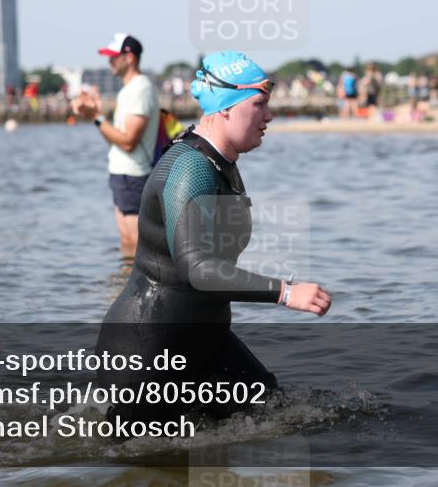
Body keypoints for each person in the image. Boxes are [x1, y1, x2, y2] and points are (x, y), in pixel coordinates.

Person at [96, 51, 332, 423]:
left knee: (277, 412)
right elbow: (198, 268)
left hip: (201, 337)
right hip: (150, 350)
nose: (269, 115)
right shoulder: (191, 169)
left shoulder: (220, 161)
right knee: (151, 466)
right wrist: (286, 292)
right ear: (225, 107)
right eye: (259, 104)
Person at [71, 34, 160, 264]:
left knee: (136, 243)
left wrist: (97, 117)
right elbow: (118, 141)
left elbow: (128, 141)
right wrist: (96, 116)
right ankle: (124, 288)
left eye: (114, 57)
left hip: (134, 175)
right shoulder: (129, 90)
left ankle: (138, 294)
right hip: (124, 173)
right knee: (127, 241)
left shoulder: (140, 89)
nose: (109, 62)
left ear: (129, 58)